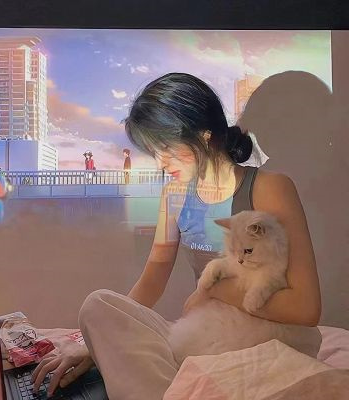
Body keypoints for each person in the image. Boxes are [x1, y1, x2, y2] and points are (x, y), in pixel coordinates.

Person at [32, 73, 322, 399]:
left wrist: (213, 290)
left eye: (166, 149)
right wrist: (90, 344)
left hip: (266, 337)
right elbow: (152, 281)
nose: (160, 162)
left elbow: (306, 309)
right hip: (209, 331)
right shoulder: (175, 194)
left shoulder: (270, 188)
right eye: (153, 151)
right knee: (97, 305)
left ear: (204, 136)